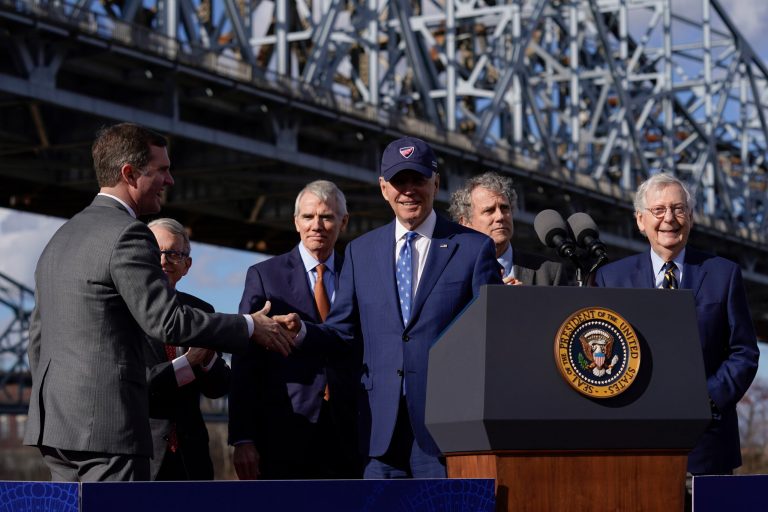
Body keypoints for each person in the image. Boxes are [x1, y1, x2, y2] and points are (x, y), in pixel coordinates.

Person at [24, 122, 293, 482]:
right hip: (108, 429)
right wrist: (249, 325)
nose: (171, 181)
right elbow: (166, 322)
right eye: (162, 170)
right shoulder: (128, 233)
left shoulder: (61, 238)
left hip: (56, 428)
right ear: (130, 174)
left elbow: (38, 336)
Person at [276, 136, 503, 478]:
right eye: (399, 181)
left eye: (418, 180)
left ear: (436, 183)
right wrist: (303, 331)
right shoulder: (360, 252)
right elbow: (342, 332)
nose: (409, 190)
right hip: (378, 430)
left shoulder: (473, 249)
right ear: (384, 188)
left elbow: (491, 336)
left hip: (447, 430)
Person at [594, 173, 759, 488]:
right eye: (658, 211)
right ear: (640, 221)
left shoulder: (723, 275)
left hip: (707, 443)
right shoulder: (611, 279)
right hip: (632, 441)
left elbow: (744, 352)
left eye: (679, 209)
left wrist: (705, 399)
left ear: (692, 218)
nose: (669, 218)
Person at [229, 180, 361, 480]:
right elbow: (245, 360)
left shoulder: (361, 274)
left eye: (327, 216)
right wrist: (242, 437)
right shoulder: (264, 276)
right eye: (308, 217)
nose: (317, 225)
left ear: (344, 221)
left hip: (350, 429)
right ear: (295, 222)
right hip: (283, 430)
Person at [144, 218, 231, 481]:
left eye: (172, 253)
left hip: (191, 457)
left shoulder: (202, 312)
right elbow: (132, 383)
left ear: (187, 265)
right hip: (142, 456)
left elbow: (218, 387)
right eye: (155, 252)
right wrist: (188, 362)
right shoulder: (121, 312)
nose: (163, 261)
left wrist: (206, 361)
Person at [449, 171, 563, 286]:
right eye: (489, 210)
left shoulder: (550, 272)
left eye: (505, 208)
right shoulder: (448, 274)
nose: (500, 216)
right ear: (465, 223)